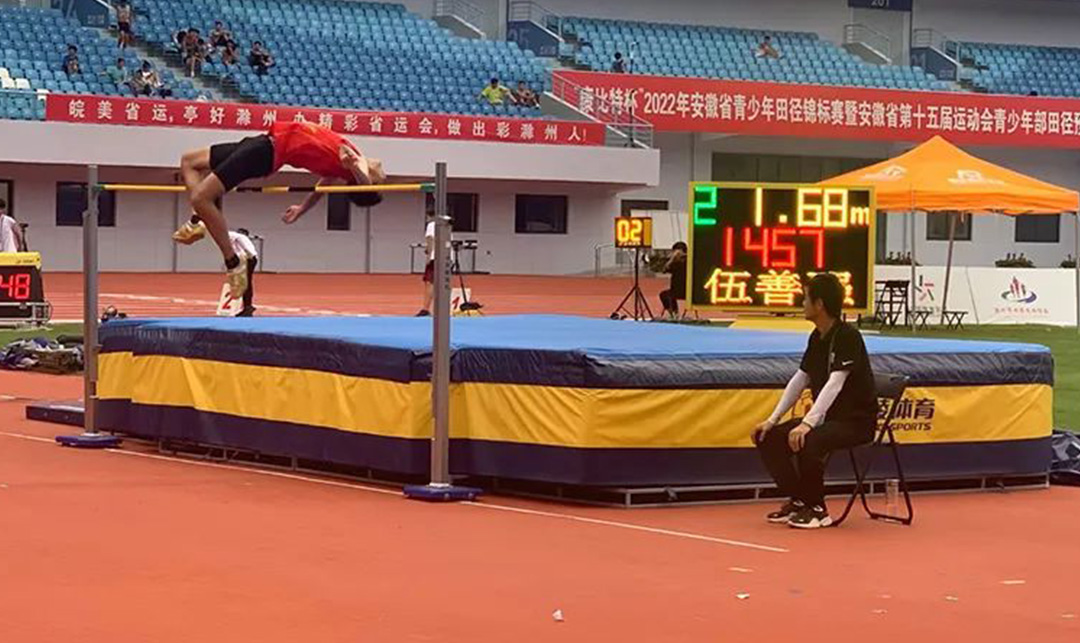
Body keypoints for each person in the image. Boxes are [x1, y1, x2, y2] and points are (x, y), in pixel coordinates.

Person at [172, 121, 387, 297]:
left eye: (381, 179)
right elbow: (322, 187)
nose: (383, 171)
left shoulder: (356, 164)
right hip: (264, 141)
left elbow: (365, 183)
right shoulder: (340, 168)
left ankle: (233, 261)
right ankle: (197, 220)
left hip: (265, 152)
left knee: (201, 198)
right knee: (190, 161)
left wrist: (358, 171)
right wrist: (302, 208)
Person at [752, 273, 878, 529]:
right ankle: (800, 500)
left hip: (856, 422)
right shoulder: (816, 337)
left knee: (808, 439)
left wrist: (807, 423)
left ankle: (818, 509)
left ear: (819, 304)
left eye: (806, 298)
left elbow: (835, 383)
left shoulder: (848, 336)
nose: (802, 303)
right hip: (829, 420)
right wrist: (772, 419)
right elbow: (800, 379)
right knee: (769, 437)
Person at [229, 228, 259, 316]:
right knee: (247, 282)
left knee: (245, 283)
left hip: (247, 259)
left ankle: (248, 306)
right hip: (252, 258)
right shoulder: (244, 239)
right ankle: (247, 306)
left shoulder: (236, 236)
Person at [658, 241, 687, 318]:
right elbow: (664, 270)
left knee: (670, 295)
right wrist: (672, 259)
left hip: (687, 291)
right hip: (675, 290)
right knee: (664, 295)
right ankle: (674, 313)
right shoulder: (675, 263)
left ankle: (675, 313)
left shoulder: (688, 262)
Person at [417, 211, 436, 317]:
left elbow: (430, 240)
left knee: (429, 282)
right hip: (446, 257)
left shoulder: (431, 225)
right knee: (441, 284)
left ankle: (425, 308)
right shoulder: (445, 225)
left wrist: (429, 256)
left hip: (435, 257)